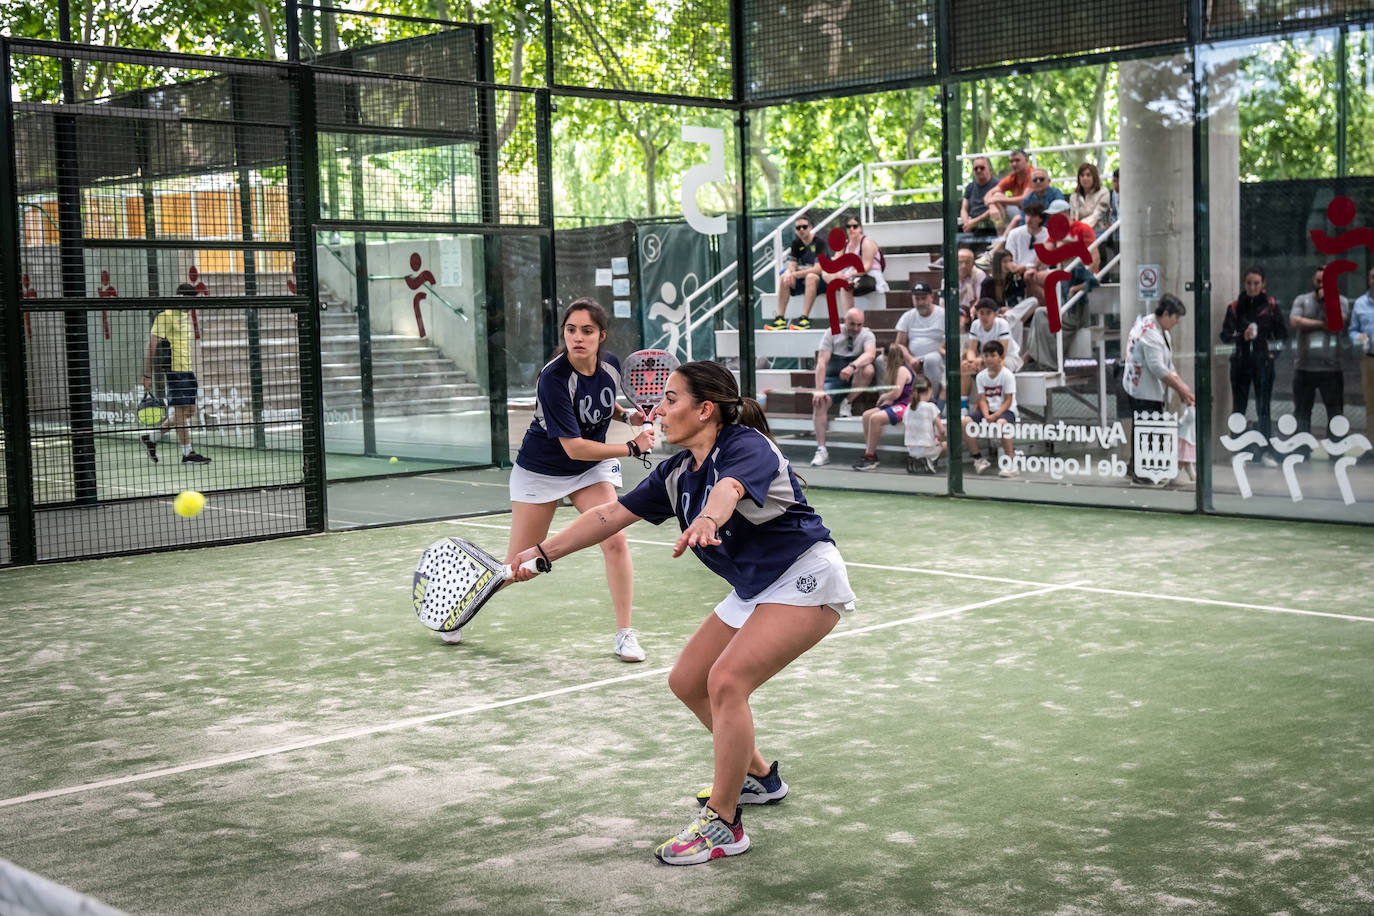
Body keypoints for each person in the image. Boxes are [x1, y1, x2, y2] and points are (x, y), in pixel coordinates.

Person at [508, 360, 855, 866]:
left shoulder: (745, 447)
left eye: (671, 399)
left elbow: (729, 491)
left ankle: (725, 824)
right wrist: (541, 553)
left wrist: (710, 520)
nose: (659, 409)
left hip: (806, 576)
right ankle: (759, 777)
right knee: (688, 680)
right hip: (755, 586)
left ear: (705, 409)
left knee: (726, 682)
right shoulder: (676, 473)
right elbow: (609, 515)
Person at [475, 297, 655, 659]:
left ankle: (625, 633)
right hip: (541, 471)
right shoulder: (553, 379)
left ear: (601, 335)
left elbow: (606, 403)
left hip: (590, 472)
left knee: (615, 540)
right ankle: (461, 609)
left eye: (587, 331)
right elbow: (574, 447)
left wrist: (627, 418)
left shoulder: (612, 366)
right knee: (517, 566)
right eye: (571, 330)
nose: (578, 337)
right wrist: (632, 449)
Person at [1219, 266, 1287, 466]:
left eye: (1256, 283)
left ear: (1263, 284)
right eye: (1249, 283)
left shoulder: (1271, 306)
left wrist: (1271, 354)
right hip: (1240, 363)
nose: (1252, 287)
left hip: (1263, 364)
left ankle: (1265, 450)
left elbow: (1282, 336)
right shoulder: (1235, 307)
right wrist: (1241, 336)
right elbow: (1225, 336)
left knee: (1263, 407)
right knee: (1239, 406)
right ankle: (1237, 449)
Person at [140, 284, 211, 465]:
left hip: (187, 370)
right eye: (189, 299)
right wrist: (147, 375)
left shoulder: (185, 315)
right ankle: (187, 453)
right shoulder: (165, 316)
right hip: (173, 370)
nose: (191, 304)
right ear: (179, 297)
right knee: (180, 411)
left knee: (189, 411)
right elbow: (152, 345)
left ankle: (152, 437)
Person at [1290, 266, 1351, 441]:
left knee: (1335, 412)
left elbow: (1337, 323)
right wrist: (1320, 324)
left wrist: (1327, 301)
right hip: (1304, 367)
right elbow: (1294, 321)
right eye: (1319, 281)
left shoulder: (1342, 301)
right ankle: (1302, 448)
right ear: (1313, 281)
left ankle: (1336, 451)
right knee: (1302, 412)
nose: (1321, 285)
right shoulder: (1302, 300)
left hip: (1331, 369)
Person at [810, 307, 877, 467]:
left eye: (859, 325)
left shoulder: (867, 334)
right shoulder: (831, 332)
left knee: (868, 369)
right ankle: (821, 450)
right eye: (852, 324)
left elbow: (870, 355)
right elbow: (821, 362)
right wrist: (819, 389)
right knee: (819, 402)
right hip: (833, 378)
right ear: (844, 321)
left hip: (855, 377)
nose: (855, 328)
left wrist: (852, 366)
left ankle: (847, 401)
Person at [1122, 294, 1196, 415]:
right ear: (1166, 314)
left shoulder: (1160, 329)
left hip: (1146, 392)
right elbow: (1157, 367)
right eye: (1176, 317)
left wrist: (1183, 388)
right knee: (1147, 432)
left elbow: (1167, 365)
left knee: (1146, 432)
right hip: (1144, 395)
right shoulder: (1150, 332)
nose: (1178, 322)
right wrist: (1180, 389)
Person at [852, 343, 915, 471]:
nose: (884, 363)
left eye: (885, 360)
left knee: (875, 419)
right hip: (895, 403)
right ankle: (871, 453)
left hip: (905, 406)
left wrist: (884, 396)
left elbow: (896, 393)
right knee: (866, 415)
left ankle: (869, 457)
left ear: (890, 358)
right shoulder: (895, 370)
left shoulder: (902, 370)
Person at [962, 340, 1018, 477]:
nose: (988, 359)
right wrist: (987, 415)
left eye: (992, 355)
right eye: (986, 356)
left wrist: (995, 415)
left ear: (1000, 357)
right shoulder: (981, 376)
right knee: (965, 422)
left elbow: (1008, 400)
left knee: (1002, 424)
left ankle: (1011, 464)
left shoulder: (1007, 375)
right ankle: (978, 459)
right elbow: (982, 399)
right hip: (987, 412)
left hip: (1006, 411)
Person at [765, 217, 824, 331]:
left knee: (811, 277)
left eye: (804, 227)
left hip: (821, 281)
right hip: (803, 279)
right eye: (798, 228)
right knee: (784, 276)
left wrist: (795, 274)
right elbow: (792, 265)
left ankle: (804, 319)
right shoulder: (796, 243)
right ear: (795, 230)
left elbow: (818, 269)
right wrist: (788, 272)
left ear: (810, 227)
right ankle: (780, 319)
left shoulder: (819, 243)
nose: (802, 229)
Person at [822, 216, 887, 311]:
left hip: (869, 276)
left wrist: (848, 274)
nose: (851, 229)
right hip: (850, 277)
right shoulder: (844, 244)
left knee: (846, 286)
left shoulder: (867, 242)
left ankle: (849, 318)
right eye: (848, 227)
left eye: (855, 226)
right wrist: (838, 273)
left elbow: (866, 268)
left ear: (860, 228)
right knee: (825, 273)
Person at [893, 282, 946, 400]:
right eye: (917, 299)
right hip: (912, 358)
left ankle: (932, 400)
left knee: (932, 360)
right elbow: (899, 344)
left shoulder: (943, 315)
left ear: (931, 297)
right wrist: (910, 359)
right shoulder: (908, 316)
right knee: (882, 360)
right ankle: (890, 400)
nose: (921, 302)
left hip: (937, 357)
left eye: (924, 298)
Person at [1349, 266, 1374, 446]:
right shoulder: (1360, 304)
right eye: (1373, 277)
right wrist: (1357, 337)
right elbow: (1352, 330)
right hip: (1369, 359)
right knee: (1371, 404)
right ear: (1368, 279)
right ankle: (1372, 446)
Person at [983, 149, 1033, 233]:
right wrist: (992, 206)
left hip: (1033, 213)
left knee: (997, 197)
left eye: (1017, 160)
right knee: (997, 195)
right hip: (1018, 212)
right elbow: (989, 193)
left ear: (1026, 161)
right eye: (1011, 161)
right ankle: (1001, 238)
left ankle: (1001, 241)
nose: (1014, 164)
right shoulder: (1012, 177)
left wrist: (995, 200)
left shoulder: (1033, 174)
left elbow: (1024, 200)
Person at [903, 376, 946, 474]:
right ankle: (929, 461)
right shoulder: (931, 407)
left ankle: (916, 460)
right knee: (946, 445)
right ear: (930, 390)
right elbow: (942, 430)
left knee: (932, 444)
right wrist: (941, 438)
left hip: (911, 449)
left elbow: (906, 426)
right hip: (926, 448)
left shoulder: (908, 408)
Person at [959, 156, 999, 236]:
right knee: (950, 237)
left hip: (990, 225)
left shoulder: (997, 185)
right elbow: (964, 208)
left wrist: (974, 222)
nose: (978, 170)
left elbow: (997, 208)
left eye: (982, 168)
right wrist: (966, 222)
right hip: (972, 225)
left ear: (989, 169)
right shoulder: (970, 187)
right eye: (975, 168)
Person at [1068, 163, 1111, 234]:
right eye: (1082, 175)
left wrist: (1079, 227)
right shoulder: (1074, 196)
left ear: (1094, 177)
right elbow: (1073, 217)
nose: (1085, 178)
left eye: (1088, 175)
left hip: (1098, 230)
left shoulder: (1104, 193)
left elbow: (1096, 216)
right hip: (1078, 231)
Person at [956, 247, 986, 315]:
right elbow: (943, 302)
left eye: (967, 262)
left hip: (973, 313)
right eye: (960, 262)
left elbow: (980, 299)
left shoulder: (979, 274)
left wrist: (970, 314)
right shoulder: (950, 276)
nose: (964, 266)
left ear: (973, 263)